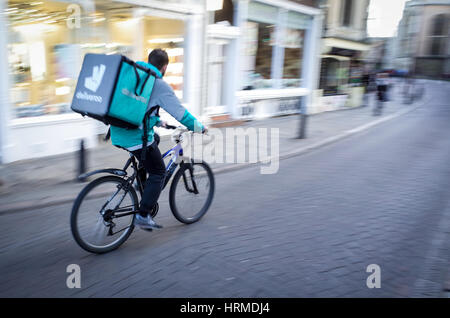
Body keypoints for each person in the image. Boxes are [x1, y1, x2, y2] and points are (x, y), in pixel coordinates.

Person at [110, 49, 207, 230]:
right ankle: (143, 214)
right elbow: (181, 114)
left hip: (117, 132)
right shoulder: (158, 83)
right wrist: (199, 128)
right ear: (164, 67)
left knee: (154, 138)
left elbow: (136, 106)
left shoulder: (135, 76)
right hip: (135, 136)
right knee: (159, 172)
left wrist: (157, 121)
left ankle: (143, 184)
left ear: (149, 61)